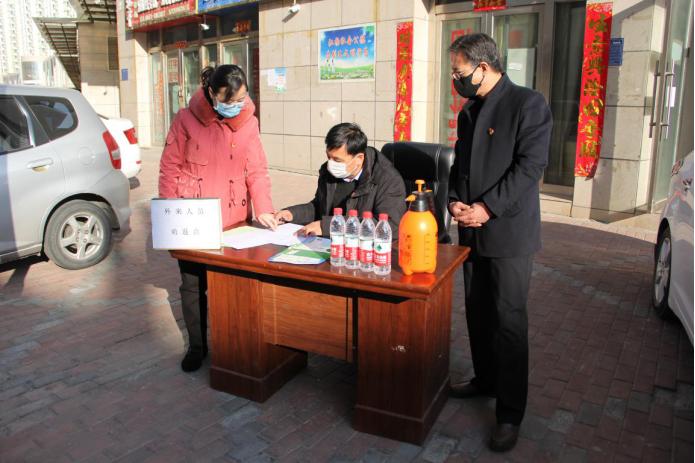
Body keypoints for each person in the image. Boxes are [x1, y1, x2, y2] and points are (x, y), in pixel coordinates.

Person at [446, 33, 552, 451]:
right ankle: (485, 379)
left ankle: (509, 414)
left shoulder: (528, 103)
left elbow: (531, 166)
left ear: (483, 68)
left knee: (509, 322)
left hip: (508, 231)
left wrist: (487, 207)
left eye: (459, 72)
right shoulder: (469, 110)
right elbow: (460, 162)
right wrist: (454, 200)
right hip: (471, 229)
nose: (456, 80)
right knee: (477, 312)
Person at [159, 65, 278, 372]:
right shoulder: (185, 119)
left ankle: (233, 346)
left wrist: (264, 208)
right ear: (212, 93)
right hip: (193, 217)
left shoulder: (249, 123)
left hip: (234, 218)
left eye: (241, 98)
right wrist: (169, 213)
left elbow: (257, 170)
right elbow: (169, 168)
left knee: (233, 286)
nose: (236, 105)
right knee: (192, 286)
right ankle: (197, 347)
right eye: (229, 99)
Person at [275, 123, 406, 238]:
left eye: (337, 160)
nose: (331, 163)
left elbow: (389, 226)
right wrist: (292, 213)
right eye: (329, 157)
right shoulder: (328, 171)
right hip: (328, 244)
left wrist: (328, 226)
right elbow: (320, 207)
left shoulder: (388, 179)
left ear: (359, 158)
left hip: (363, 248)